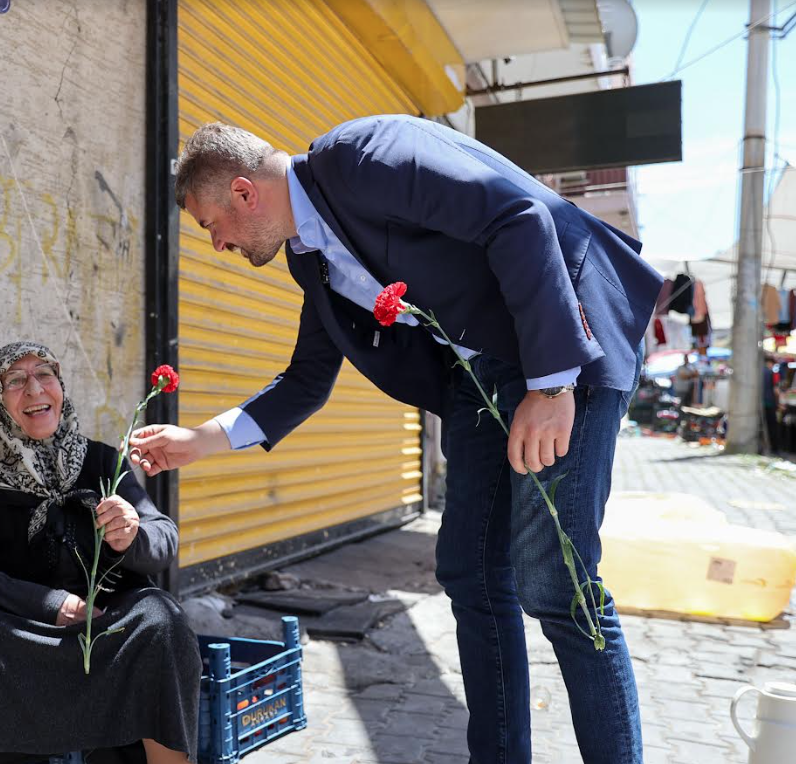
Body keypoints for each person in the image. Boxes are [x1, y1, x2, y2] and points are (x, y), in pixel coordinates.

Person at [129, 116, 663, 764]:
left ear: (243, 192)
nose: (218, 245)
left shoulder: (364, 156)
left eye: (211, 226)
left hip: (567, 331)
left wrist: (551, 386)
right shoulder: (312, 258)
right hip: (483, 370)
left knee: (554, 580)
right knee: (469, 572)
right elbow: (304, 381)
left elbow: (519, 216)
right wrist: (198, 441)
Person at [0, 342, 200, 764]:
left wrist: (131, 535)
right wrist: (52, 605)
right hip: (22, 642)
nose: (34, 389)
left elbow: (164, 539)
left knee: (162, 618)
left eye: (44, 374)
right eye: (15, 380)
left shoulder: (102, 462)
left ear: (60, 386)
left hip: (105, 636)